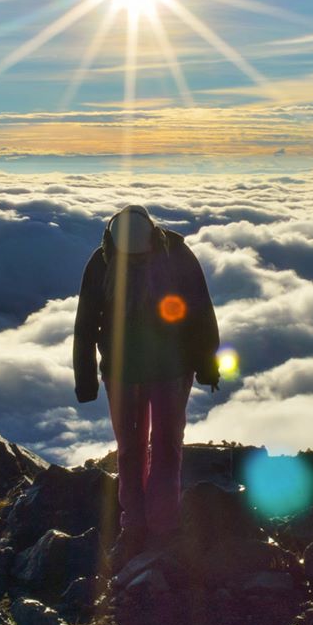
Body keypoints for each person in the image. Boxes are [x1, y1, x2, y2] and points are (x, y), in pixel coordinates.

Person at [73, 204, 220, 567]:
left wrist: (87, 380)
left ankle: (142, 525)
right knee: (161, 446)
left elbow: (86, 324)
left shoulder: (105, 260)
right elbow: (201, 313)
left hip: (138, 372)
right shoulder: (171, 254)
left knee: (136, 448)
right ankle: (155, 525)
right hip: (161, 370)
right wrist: (207, 367)